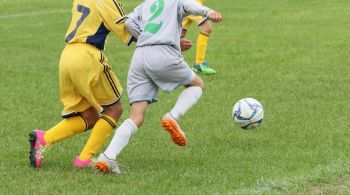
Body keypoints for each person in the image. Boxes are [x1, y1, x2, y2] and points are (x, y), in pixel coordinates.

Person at [93, 0, 222, 173]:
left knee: (136, 115)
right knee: (197, 85)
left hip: (139, 56)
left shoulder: (145, 5)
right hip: (163, 53)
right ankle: (173, 116)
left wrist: (150, 38)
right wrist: (209, 12)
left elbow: (129, 22)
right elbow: (192, 6)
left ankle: (108, 156)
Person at [28, 0, 133, 169]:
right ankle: (84, 159)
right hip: (87, 56)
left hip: (67, 55)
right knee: (114, 109)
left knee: (90, 115)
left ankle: (45, 139)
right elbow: (129, 31)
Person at [182, 0, 217, 75]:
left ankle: (162, 59)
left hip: (192, 5)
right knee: (207, 28)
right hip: (192, 5)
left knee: (180, 34)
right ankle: (199, 64)